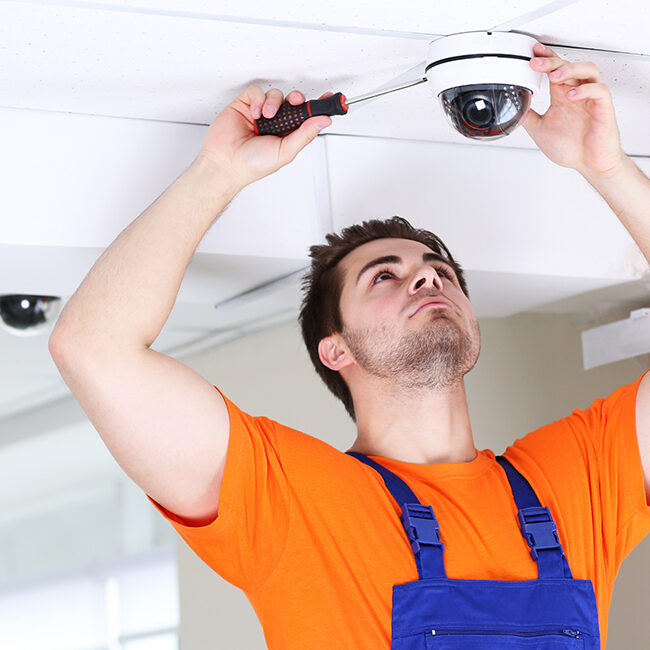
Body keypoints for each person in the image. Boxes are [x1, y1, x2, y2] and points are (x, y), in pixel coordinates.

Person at [49, 42, 650, 648]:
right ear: (335, 349)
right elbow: (94, 349)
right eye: (384, 276)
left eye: (440, 272)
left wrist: (606, 167)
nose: (428, 279)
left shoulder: (577, 478)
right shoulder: (292, 502)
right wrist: (219, 172)